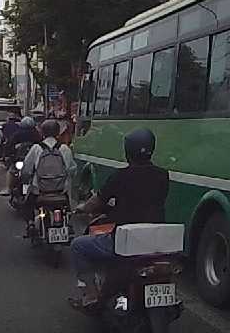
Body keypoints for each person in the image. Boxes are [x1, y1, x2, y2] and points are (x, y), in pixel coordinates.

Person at [68, 128, 169, 309]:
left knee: (78, 245)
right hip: (155, 241)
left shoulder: (120, 176)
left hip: (125, 241)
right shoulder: (163, 175)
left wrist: (82, 208)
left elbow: (96, 202)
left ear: (128, 150)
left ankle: (91, 294)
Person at [20, 118, 76, 211]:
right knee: (68, 210)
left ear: (42, 132)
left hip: (39, 190)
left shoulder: (36, 148)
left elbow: (27, 169)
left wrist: (25, 180)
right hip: (61, 191)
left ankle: (32, 220)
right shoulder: (65, 148)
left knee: (27, 206)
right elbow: (72, 169)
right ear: (58, 132)